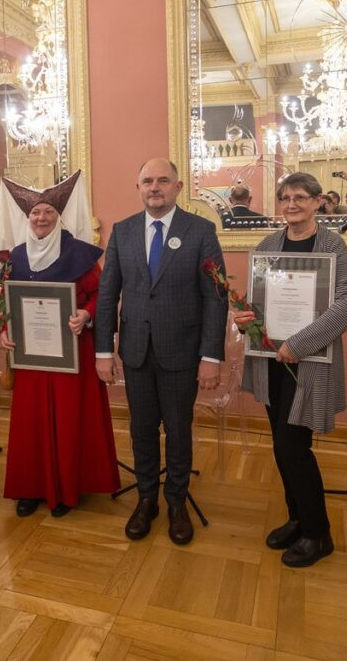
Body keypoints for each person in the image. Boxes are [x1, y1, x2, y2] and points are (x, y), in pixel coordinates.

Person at [95, 158, 228, 545]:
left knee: (178, 430)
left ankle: (176, 502)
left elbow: (215, 298)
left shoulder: (200, 230)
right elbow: (108, 295)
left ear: (178, 187)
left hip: (182, 353)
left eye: (163, 181)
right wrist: (104, 348)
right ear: (138, 187)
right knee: (141, 430)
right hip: (135, 352)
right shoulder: (123, 231)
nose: (155, 187)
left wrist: (211, 356)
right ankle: (147, 498)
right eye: (148, 181)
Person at [235, 173, 347, 567]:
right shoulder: (268, 244)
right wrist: (243, 317)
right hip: (272, 360)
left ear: (318, 201)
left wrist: (299, 343)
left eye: (301, 198)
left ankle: (318, 533)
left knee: (294, 448)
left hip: (307, 361)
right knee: (281, 446)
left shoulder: (332, 244)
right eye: (285, 198)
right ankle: (298, 518)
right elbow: (259, 300)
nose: (292, 205)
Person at [0, 172, 121, 517]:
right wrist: (5, 327)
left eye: (48, 212)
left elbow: (101, 294)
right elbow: (5, 297)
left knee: (69, 418)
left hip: (72, 353)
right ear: (28, 217)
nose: (41, 218)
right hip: (32, 353)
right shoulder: (16, 256)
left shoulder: (79, 253)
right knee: (30, 419)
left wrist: (85, 313)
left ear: (59, 216)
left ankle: (66, 489)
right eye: (35, 213)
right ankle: (30, 487)